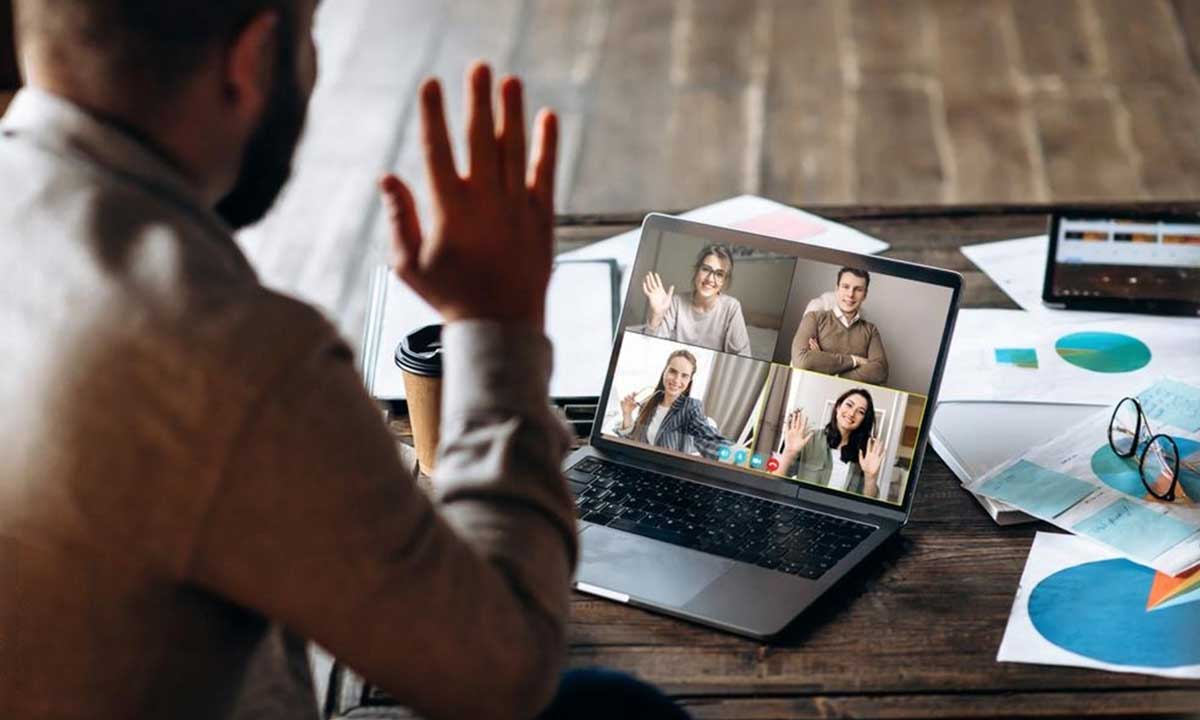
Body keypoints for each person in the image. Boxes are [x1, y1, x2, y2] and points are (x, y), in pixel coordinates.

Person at [0, 2, 687, 719]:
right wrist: (498, 322)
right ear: (253, 58)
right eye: (309, 34)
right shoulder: (232, 356)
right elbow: (502, 672)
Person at [614, 349, 731, 460]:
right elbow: (634, 443)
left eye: (684, 375)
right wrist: (627, 414)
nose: (676, 380)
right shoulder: (647, 404)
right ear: (665, 371)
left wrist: (732, 454)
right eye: (673, 371)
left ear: (689, 381)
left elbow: (705, 434)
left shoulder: (691, 407)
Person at [771, 388, 887, 499]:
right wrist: (789, 453)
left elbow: (868, 502)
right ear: (837, 407)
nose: (852, 413)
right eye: (849, 405)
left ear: (864, 420)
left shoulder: (864, 455)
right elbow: (775, 483)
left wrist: (870, 478)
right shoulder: (810, 439)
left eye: (860, 412)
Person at [642, 244, 753, 356]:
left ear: (725, 281)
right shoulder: (677, 302)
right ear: (696, 271)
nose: (710, 279)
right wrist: (656, 315)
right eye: (706, 269)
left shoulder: (731, 307)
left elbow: (743, 354)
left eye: (719, 274)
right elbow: (650, 346)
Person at [791, 267, 889, 383]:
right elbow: (802, 361)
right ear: (837, 289)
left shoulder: (871, 330)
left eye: (858, 289)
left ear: (865, 295)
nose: (850, 294)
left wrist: (825, 365)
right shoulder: (814, 318)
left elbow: (881, 372)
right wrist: (855, 361)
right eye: (846, 287)